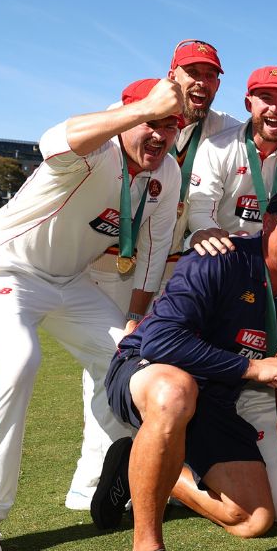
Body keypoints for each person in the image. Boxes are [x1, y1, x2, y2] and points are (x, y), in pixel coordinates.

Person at [0, 78, 184, 551]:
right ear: (127, 115)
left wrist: (133, 320)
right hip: (3, 269)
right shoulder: (94, 150)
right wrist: (142, 108)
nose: (162, 136)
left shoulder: (167, 172)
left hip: (71, 284)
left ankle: (108, 479)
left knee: (128, 363)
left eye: (171, 127)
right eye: (153, 123)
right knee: (16, 365)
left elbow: (152, 253)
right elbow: (51, 139)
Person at [92, 185, 277, 551]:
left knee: (253, 519)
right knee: (176, 392)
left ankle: (137, 468)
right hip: (151, 373)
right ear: (270, 224)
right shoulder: (217, 258)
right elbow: (162, 340)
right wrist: (251, 369)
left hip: (215, 399)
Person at [67, 39, 240, 511]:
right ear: (172, 74)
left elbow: (264, 131)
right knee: (113, 368)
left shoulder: (223, 128)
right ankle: (94, 481)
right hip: (114, 264)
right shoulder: (129, 111)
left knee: (174, 370)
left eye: (211, 76)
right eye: (193, 73)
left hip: (172, 269)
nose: (201, 83)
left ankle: (159, 468)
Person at [186, 66, 277, 255]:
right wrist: (232, 244)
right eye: (266, 98)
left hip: (276, 260)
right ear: (248, 104)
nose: (274, 108)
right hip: (226, 254)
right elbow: (200, 214)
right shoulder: (217, 147)